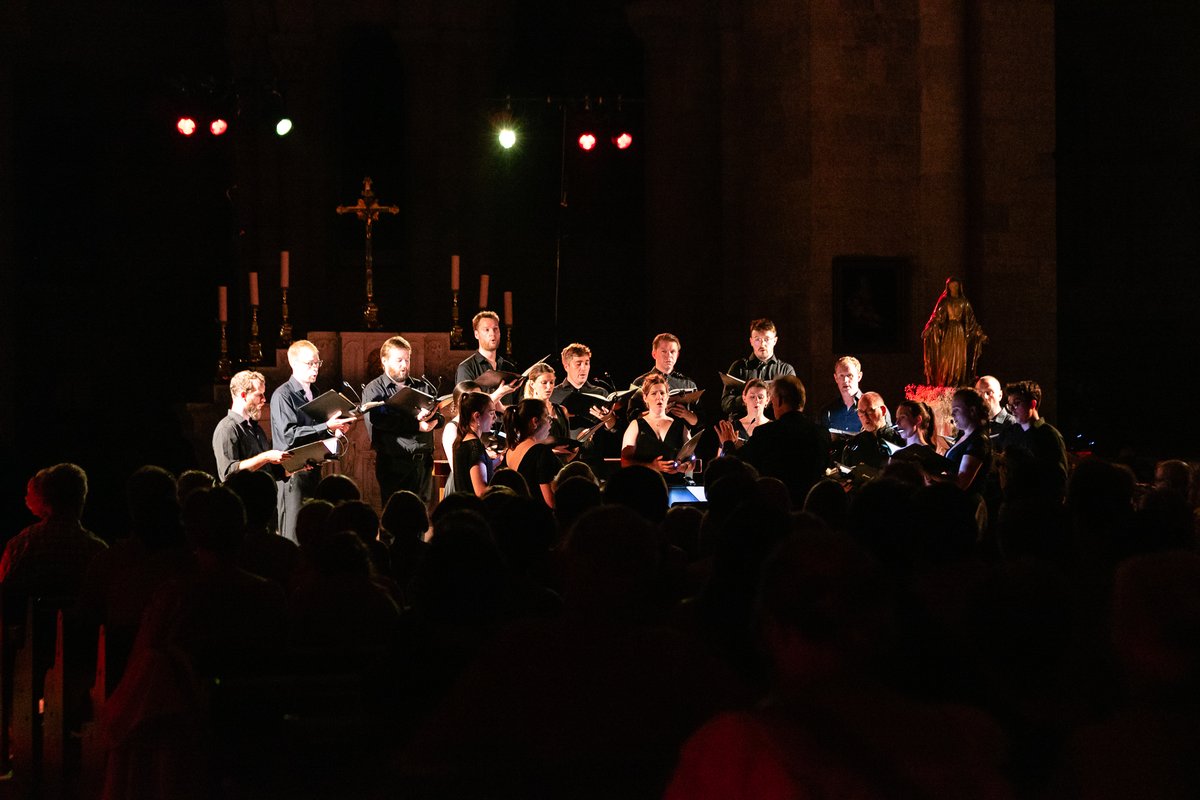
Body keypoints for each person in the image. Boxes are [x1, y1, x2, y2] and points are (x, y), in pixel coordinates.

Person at [270, 339, 355, 543]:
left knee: (313, 532)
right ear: (294, 364)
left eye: (318, 363)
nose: (315, 368)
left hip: (313, 469)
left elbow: (316, 433)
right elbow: (289, 434)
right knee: (293, 533)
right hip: (293, 473)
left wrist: (336, 431)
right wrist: (326, 426)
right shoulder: (283, 395)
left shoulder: (315, 393)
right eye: (310, 363)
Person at [716, 375, 831, 506]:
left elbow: (739, 467)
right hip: (809, 508)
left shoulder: (766, 433)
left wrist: (728, 443)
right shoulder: (822, 434)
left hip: (773, 508)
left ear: (779, 400)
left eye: (773, 400)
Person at [1, 463, 108, 600]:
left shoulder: (20, 546)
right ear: (81, 498)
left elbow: (6, 596)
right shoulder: (97, 551)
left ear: (43, 498)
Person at [364, 336, 442, 504]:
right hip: (394, 465)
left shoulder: (422, 387)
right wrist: (416, 425)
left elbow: (439, 417)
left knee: (421, 513)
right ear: (384, 361)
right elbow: (380, 421)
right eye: (399, 360)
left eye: (407, 360)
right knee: (397, 513)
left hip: (423, 462)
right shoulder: (375, 389)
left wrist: (433, 419)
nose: (404, 365)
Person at [211, 370, 292, 483]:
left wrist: (298, 466)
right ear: (243, 395)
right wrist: (266, 457)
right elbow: (229, 474)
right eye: (259, 394)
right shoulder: (227, 428)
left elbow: (269, 472)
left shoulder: (256, 429)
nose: (264, 399)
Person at [621, 373, 694, 484]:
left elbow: (692, 459)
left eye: (662, 393)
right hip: (643, 485)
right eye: (654, 393)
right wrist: (652, 466)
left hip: (675, 485)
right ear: (645, 398)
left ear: (668, 396)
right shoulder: (635, 425)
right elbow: (625, 462)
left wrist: (682, 467)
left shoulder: (680, 426)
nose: (659, 397)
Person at [1003, 379, 1068, 503]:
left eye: (1017, 403)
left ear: (1033, 404)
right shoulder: (1011, 433)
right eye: (1010, 405)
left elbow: (1059, 479)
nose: (1012, 410)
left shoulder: (1049, 435)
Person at [720, 318, 796, 418]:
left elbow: (792, 404)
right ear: (751, 341)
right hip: (743, 425)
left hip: (775, 425)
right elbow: (725, 404)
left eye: (767, 339)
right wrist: (746, 399)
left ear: (775, 341)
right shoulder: (738, 367)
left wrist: (769, 399)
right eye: (757, 339)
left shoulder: (786, 370)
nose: (762, 344)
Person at [922, 276, 987, 386]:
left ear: (959, 287)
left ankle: (958, 382)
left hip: (960, 333)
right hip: (948, 332)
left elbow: (971, 320)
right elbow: (936, 316)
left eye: (956, 286)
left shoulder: (964, 302)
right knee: (946, 359)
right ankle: (945, 383)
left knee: (959, 360)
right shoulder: (945, 301)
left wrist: (980, 334)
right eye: (951, 286)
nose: (954, 288)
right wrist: (929, 328)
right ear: (948, 287)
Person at [628, 333, 701, 428]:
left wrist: (686, 414)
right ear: (654, 354)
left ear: (677, 355)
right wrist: (657, 412)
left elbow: (700, 421)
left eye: (672, 351)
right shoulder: (639, 382)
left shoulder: (688, 384)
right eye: (664, 351)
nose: (669, 355)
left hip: (681, 435)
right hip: (650, 435)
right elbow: (631, 417)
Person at [503, 399, 560, 507]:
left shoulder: (510, 450)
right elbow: (550, 501)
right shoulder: (541, 452)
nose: (550, 423)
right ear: (535, 421)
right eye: (547, 417)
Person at [943, 387, 993, 498]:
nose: (952, 414)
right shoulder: (963, 436)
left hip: (965, 503)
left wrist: (931, 474)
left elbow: (962, 482)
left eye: (956, 410)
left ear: (972, 411)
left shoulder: (978, 441)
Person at [451, 392, 499, 497]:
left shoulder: (461, 441)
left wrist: (498, 460)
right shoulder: (474, 446)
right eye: (491, 413)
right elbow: (481, 491)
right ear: (477, 416)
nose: (495, 417)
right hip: (475, 506)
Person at [841, 392, 903, 470]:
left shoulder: (900, 441)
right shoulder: (852, 446)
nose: (865, 416)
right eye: (861, 412)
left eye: (870, 411)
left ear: (883, 410)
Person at [455, 310, 518, 386]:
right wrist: (499, 392)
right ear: (476, 334)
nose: (492, 334)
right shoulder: (466, 368)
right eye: (487, 330)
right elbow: (465, 394)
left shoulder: (509, 368)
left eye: (495, 329)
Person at [889, 399, 946, 476]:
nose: (897, 422)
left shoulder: (930, 456)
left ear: (918, 420)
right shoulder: (898, 454)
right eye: (897, 418)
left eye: (903, 417)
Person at [523, 362, 572, 442]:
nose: (549, 387)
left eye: (551, 382)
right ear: (532, 384)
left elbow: (568, 440)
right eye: (544, 383)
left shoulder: (562, 410)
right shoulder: (525, 411)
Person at [819, 356, 866, 433]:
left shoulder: (872, 407)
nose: (845, 380)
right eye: (841, 375)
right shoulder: (828, 412)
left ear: (859, 376)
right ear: (836, 378)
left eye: (850, 375)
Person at [975, 375, 1017, 448]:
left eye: (989, 392)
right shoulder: (974, 423)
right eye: (979, 393)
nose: (984, 397)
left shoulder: (1011, 424)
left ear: (1000, 395)